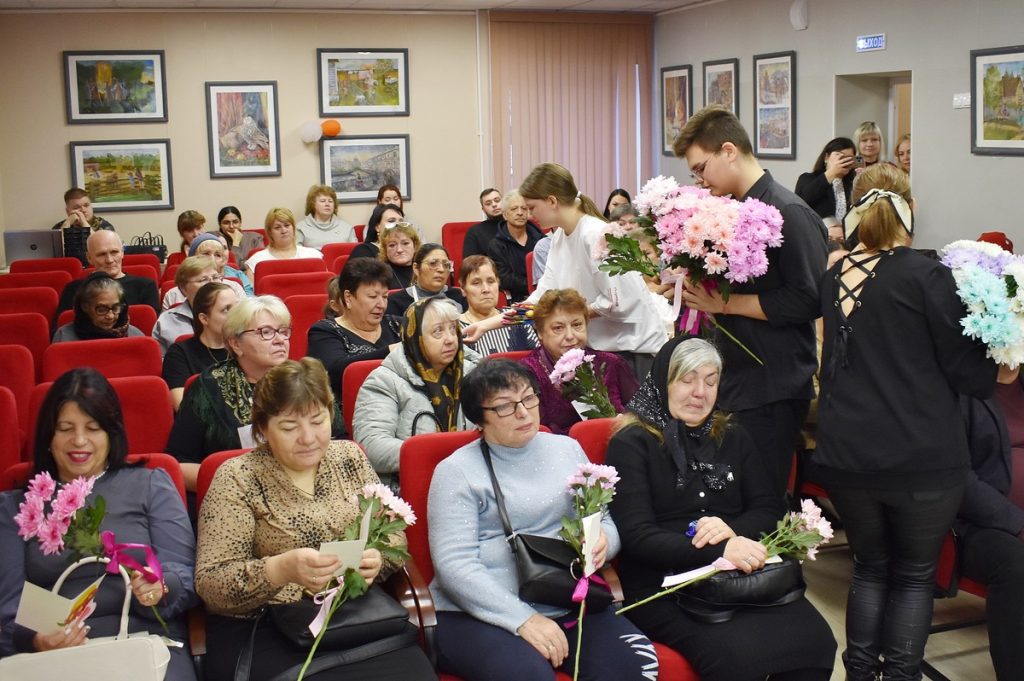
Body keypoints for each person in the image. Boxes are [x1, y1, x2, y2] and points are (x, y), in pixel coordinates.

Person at [812, 163, 998, 681]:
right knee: (914, 577)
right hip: (920, 456)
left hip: (847, 454)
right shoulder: (927, 274)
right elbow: (969, 376)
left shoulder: (834, 276)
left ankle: (859, 673)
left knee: (869, 569)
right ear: (909, 208)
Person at [607, 337, 836, 681]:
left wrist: (733, 532)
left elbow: (768, 509)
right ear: (662, 382)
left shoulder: (732, 435)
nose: (700, 392)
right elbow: (637, 536)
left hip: (739, 576)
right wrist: (719, 547)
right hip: (665, 584)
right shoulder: (632, 443)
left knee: (816, 642)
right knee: (737, 659)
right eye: (687, 380)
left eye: (710, 381)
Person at [194, 359, 435, 681]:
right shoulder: (238, 478)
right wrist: (280, 569)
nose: (308, 438)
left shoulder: (348, 457)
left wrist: (377, 559)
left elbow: (392, 535)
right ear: (262, 429)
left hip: (353, 616)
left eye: (318, 421)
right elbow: (212, 584)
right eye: (289, 427)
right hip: (265, 624)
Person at [428, 358, 659, 681]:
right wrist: (523, 619)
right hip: (481, 612)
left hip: (566, 595)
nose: (523, 412)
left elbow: (603, 517)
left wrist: (604, 543)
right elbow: (454, 565)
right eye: (505, 407)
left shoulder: (567, 449)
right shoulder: (456, 472)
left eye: (529, 398)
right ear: (479, 418)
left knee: (635, 667)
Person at [0, 369, 198, 681]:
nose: (79, 441)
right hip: (55, 656)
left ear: (111, 433)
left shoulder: (149, 485)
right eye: (65, 429)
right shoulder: (18, 505)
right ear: (48, 437)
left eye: (93, 428)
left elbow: (185, 575)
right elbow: (9, 606)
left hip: (144, 642)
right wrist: (37, 639)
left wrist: (160, 587)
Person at [673, 106, 827, 498]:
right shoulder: (731, 210)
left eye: (701, 168)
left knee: (762, 497)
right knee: (732, 494)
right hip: (736, 378)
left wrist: (724, 304)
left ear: (728, 151)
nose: (700, 180)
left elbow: (809, 299)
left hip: (772, 384)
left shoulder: (788, 211)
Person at [165, 295, 344, 492]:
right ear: (236, 344)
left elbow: (340, 442)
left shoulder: (306, 379)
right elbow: (179, 465)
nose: (280, 340)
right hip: (236, 494)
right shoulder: (208, 387)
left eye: (283, 331)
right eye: (266, 332)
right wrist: (238, 483)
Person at [512, 162, 668, 381]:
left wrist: (573, 314)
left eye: (532, 207)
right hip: (605, 351)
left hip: (632, 352)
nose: (529, 215)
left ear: (552, 201)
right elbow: (544, 292)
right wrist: (489, 324)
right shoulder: (559, 236)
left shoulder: (594, 233)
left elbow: (618, 301)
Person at [353, 297, 480, 488]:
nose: (450, 339)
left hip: (474, 480)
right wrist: (441, 452)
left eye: (453, 329)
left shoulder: (473, 374)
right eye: (438, 331)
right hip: (412, 485)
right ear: (415, 338)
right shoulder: (384, 381)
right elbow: (371, 447)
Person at [959, 363, 1024, 681]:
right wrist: (1019, 524)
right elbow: (958, 478)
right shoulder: (960, 388)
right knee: (1016, 563)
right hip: (980, 525)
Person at [521, 288, 637, 434]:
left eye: (577, 325)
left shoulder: (611, 363)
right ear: (540, 332)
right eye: (558, 328)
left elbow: (641, 414)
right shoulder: (526, 374)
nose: (570, 336)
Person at [307, 258, 402, 418]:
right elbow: (334, 372)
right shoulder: (324, 331)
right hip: (350, 417)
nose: (381, 304)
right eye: (372, 296)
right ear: (348, 298)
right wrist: (389, 351)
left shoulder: (399, 325)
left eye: (385, 297)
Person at [163, 281, 237, 410]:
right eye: (226, 309)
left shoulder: (246, 346)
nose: (236, 315)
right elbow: (182, 406)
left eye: (237, 308)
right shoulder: (179, 353)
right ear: (204, 319)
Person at [56, 230, 159, 316]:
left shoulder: (145, 286)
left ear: (122, 252)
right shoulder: (74, 289)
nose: (109, 260)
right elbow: (62, 327)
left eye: (114, 252)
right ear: (89, 258)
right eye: (101, 254)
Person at [458, 255, 537, 356]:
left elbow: (538, 360)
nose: (486, 289)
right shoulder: (456, 329)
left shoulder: (515, 317)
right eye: (476, 283)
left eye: (491, 281)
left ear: (498, 283)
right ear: (463, 288)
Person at [152, 255, 220, 355]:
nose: (212, 284)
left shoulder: (234, 315)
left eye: (215, 277)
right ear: (183, 288)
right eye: (203, 279)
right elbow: (161, 360)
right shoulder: (167, 321)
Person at [52, 272, 145, 342]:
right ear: (85, 307)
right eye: (102, 310)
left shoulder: (136, 336)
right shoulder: (64, 337)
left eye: (115, 308)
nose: (110, 316)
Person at [487, 190, 544, 303]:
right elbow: (505, 279)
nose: (520, 213)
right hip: (516, 300)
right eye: (514, 209)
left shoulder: (541, 240)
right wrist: (533, 286)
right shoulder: (496, 245)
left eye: (524, 209)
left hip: (544, 295)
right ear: (505, 215)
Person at [384, 243, 467, 318]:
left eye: (446, 265)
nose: (441, 269)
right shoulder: (396, 302)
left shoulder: (459, 296)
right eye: (433, 263)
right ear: (416, 268)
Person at [795, 137, 857, 233]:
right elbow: (801, 202)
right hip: (816, 234)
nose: (844, 161)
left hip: (846, 237)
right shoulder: (808, 178)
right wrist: (832, 173)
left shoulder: (852, 183)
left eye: (848, 158)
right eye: (840, 156)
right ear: (826, 157)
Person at [243, 208, 323, 279]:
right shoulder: (257, 260)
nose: (284, 231)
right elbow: (252, 291)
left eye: (287, 225)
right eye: (277, 227)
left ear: (293, 228)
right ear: (270, 232)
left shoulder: (313, 255)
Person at [169, 232, 250, 302]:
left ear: (223, 260)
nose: (212, 260)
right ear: (193, 258)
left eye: (217, 255)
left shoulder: (235, 288)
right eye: (205, 254)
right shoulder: (174, 295)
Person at [51, 188, 115, 266]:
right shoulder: (59, 226)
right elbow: (55, 252)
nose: (83, 210)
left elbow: (101, 247)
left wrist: (84, 223)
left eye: (86, 205)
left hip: (97, 266)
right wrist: (67, 224)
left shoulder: (104, 226)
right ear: (68, 211)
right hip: (68, 266)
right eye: (76, 207)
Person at [297, 183, 355, 249]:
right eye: (322, 201)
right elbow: (296, 252)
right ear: (313, 204)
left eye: (330, 201)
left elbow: (356, 252)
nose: (327, 204)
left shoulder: (347, 228)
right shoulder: (301, 228)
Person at [462, 187, 504, 258]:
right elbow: (469, 262)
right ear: (483, 210)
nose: (494, 205)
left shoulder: (515, 225)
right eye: (488, 203)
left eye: (497, 200)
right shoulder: (475, 232)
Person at [377, 221, 420, 289]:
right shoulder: (378, 274)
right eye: (392, 245)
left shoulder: (425, 269)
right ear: (385, 250)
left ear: (415, 246)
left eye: (405, 243)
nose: (399, 250)